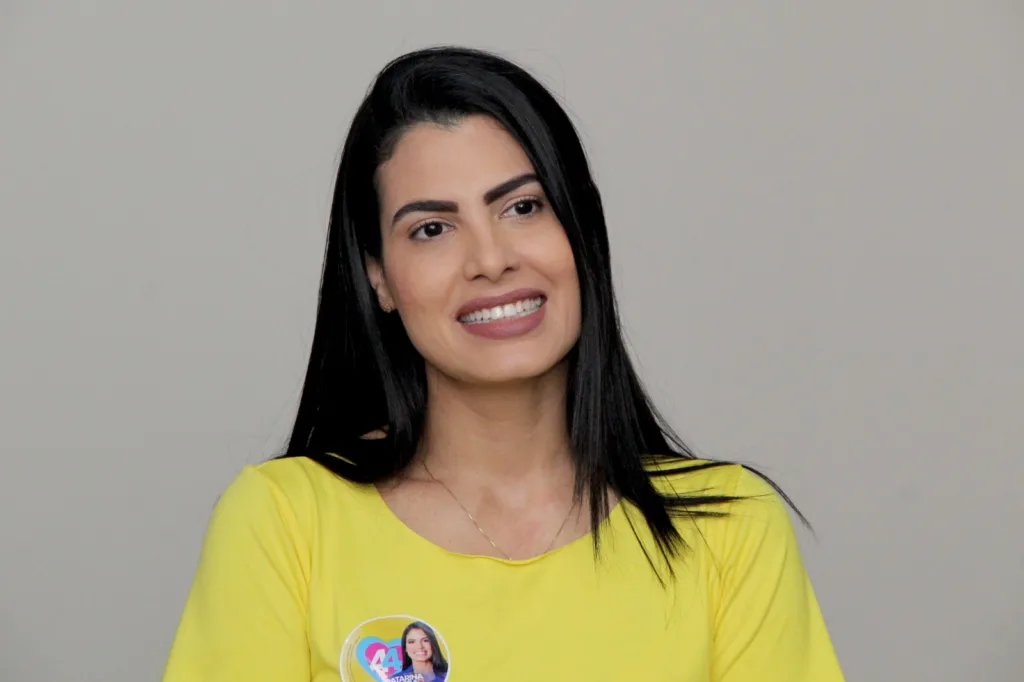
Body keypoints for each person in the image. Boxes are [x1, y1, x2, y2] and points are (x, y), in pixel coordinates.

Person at [161, 46, 845, 681]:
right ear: (379, 279)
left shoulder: (730, 532)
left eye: (522, 206)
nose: (491, 260)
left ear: (581, 233)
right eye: (432, 228)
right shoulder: (284, 523)